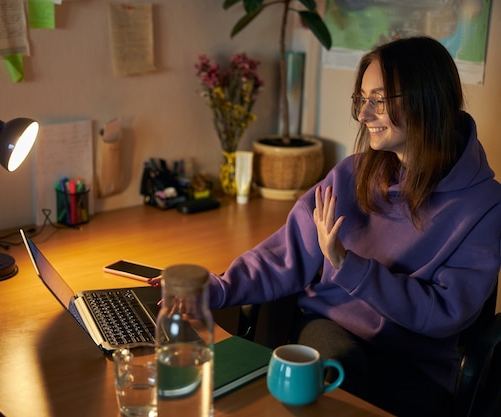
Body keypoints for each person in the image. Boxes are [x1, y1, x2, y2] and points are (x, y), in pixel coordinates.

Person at [170, 37, 500, 416]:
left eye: (379, 100)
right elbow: (284, 255)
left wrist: (348, 266)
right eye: (362, 99)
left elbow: (444, 313)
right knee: (330, 367)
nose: (364, 115)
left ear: (426, 99)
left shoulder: (485, 205)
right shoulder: (352, 174)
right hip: (333, 333)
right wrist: (216, 288)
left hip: (414, 362)